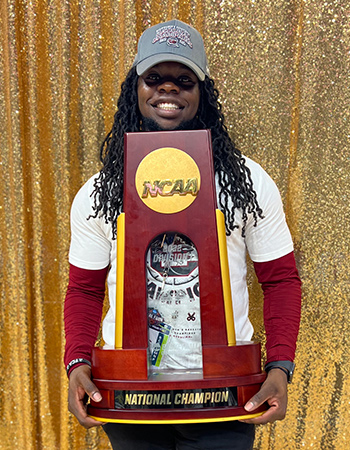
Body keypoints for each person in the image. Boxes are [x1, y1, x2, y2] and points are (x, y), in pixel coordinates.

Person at [64, 19, 301, 450]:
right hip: (130, 395)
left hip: (224, 393)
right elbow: (84, 287)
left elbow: (280, 279)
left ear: (202, 94)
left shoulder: (246, 181)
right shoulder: (100, 191)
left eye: (183, 80)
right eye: (154, 78)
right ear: (134, 92)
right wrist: (77, 360)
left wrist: (280, 366)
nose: (167, 90)